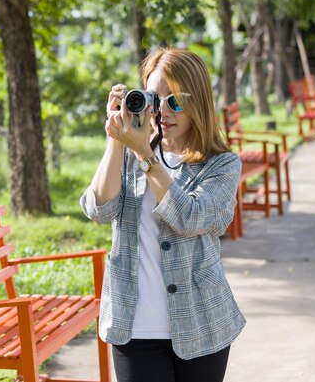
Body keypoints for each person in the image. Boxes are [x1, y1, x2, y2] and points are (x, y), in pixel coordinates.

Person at [80, 47, 245, 382]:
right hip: (134, 324)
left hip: (202, 323)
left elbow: (192, 217)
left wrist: (144, 154)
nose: (163, 110)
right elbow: (99, 208)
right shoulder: (131, 151)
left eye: (177, 100)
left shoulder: (221, 165)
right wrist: (117, 138)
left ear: (198, 103)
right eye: (155, 99)